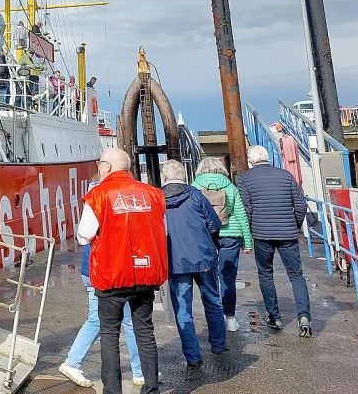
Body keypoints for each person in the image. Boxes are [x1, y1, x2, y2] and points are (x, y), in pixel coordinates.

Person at [72, 147, 166, 394]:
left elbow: (84, 235)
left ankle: (112, 390)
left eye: (100, 163)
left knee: (109, 334)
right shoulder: (153, 194)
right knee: (145, 331)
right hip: (145, 275)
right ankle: (151, 388)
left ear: (109, 166)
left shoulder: (99, 195)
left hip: (112, 276)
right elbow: (161, 232)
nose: (99, 168)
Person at [60, 183, 151, 388]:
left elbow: (84, 236)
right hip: (106, 270)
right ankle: (139, 371)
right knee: (128, 319)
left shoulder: (97, 200)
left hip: (91, 268)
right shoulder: (112, 201)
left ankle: (72, 361)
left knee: (97, 318)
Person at [236, 145, 312, 337]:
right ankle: (304, 316)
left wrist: (250, 232)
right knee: (296, 275)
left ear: (251, 160)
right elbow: (300, 204)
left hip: (262, 235)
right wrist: (294, 224)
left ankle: (274, 316)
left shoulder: (244, 179)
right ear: (267, 157)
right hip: (288, 233)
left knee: (265, 274)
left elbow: (247, 210)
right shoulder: (286, 176)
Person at [161, 160, 227, 367]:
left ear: (164, 176)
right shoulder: (195, 194)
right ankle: (218, 344)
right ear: (184, 175)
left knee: (182, 308)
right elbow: (214, 224)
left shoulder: (157, 199)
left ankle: (192, 356)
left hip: (175, 259)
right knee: (213, 301)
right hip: (203, 256)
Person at [192, 156, 253, 332]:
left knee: (209, 277)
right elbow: (241, 214)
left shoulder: (195, 187)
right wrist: (247, 242)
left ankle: (213, 317)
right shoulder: (230, 186)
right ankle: (230, 318)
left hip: (206, 235)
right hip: (230, 234)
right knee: (228, 277)